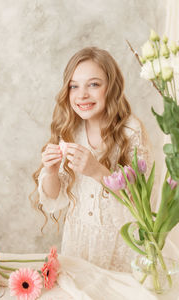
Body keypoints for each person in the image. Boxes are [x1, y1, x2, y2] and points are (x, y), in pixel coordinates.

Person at [32, 47, 153, 272]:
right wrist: (50, 171)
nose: (82, 95)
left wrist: (97, 170)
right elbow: (53, 196)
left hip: (120, 243)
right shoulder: (70, 130)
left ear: (111, 88)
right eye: (74, 86)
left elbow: (141, 202)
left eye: (94, 84)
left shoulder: (130, 131)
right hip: (79, 241)